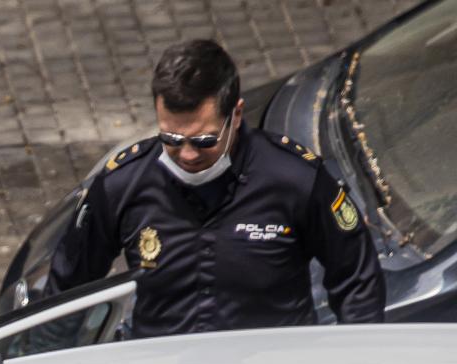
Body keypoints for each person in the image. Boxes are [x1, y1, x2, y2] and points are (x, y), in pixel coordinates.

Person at [42, 39, 385, 338]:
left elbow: (357, 280)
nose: (187, 154)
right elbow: (66, 291)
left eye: (204, 140)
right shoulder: (123, 184)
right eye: (172, 139)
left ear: (236, 116)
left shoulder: (295, 180)